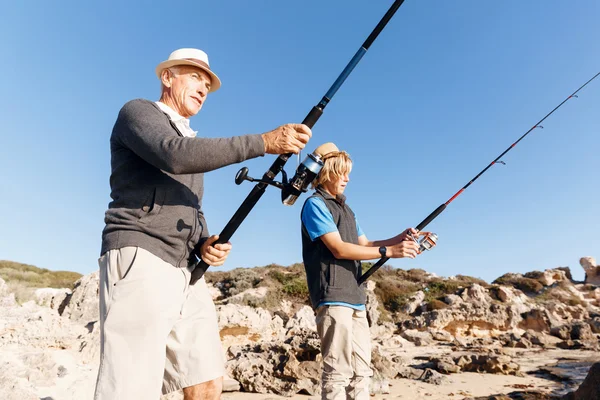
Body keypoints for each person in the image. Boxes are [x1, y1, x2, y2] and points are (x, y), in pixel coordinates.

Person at [96, 48, 312, 400]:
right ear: (167, 77)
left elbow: (191, 209)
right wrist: (264, 143)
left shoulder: (190, 142)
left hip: (186, 271)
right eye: (195, 76)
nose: (203, 88)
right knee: (129, 386)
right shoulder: (138, 112)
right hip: (141, 254)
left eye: (207, 84)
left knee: (206, 382)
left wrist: (203, 243)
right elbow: (173, 155)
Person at [300, 143, 422, 400]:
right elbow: (339, 249)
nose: (347, 178)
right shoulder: (315, 205)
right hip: (333, 297)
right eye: (342, 172)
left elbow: (365, 245)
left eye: (348, 173)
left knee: (362, 373)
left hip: (356, 297)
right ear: (326, 173)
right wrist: (389, 252)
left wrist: (399, 239)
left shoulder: (347, 210)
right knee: (337, 373)